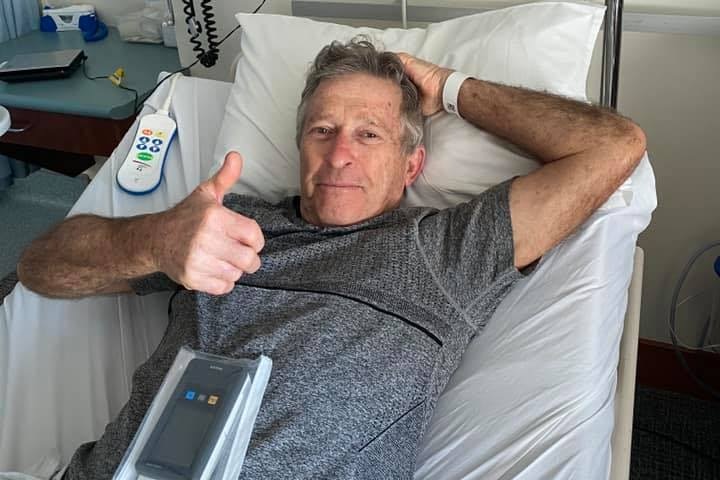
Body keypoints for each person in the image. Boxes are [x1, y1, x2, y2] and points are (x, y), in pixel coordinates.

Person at [18, 38, 646, 479]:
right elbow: (38, 269)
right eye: (322, 130)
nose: (340, 153)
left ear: (413, 164)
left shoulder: (442, 251)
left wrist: (449, 87)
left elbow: (613, 146)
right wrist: (152, 240)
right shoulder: (219, 224)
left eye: (369, 134)